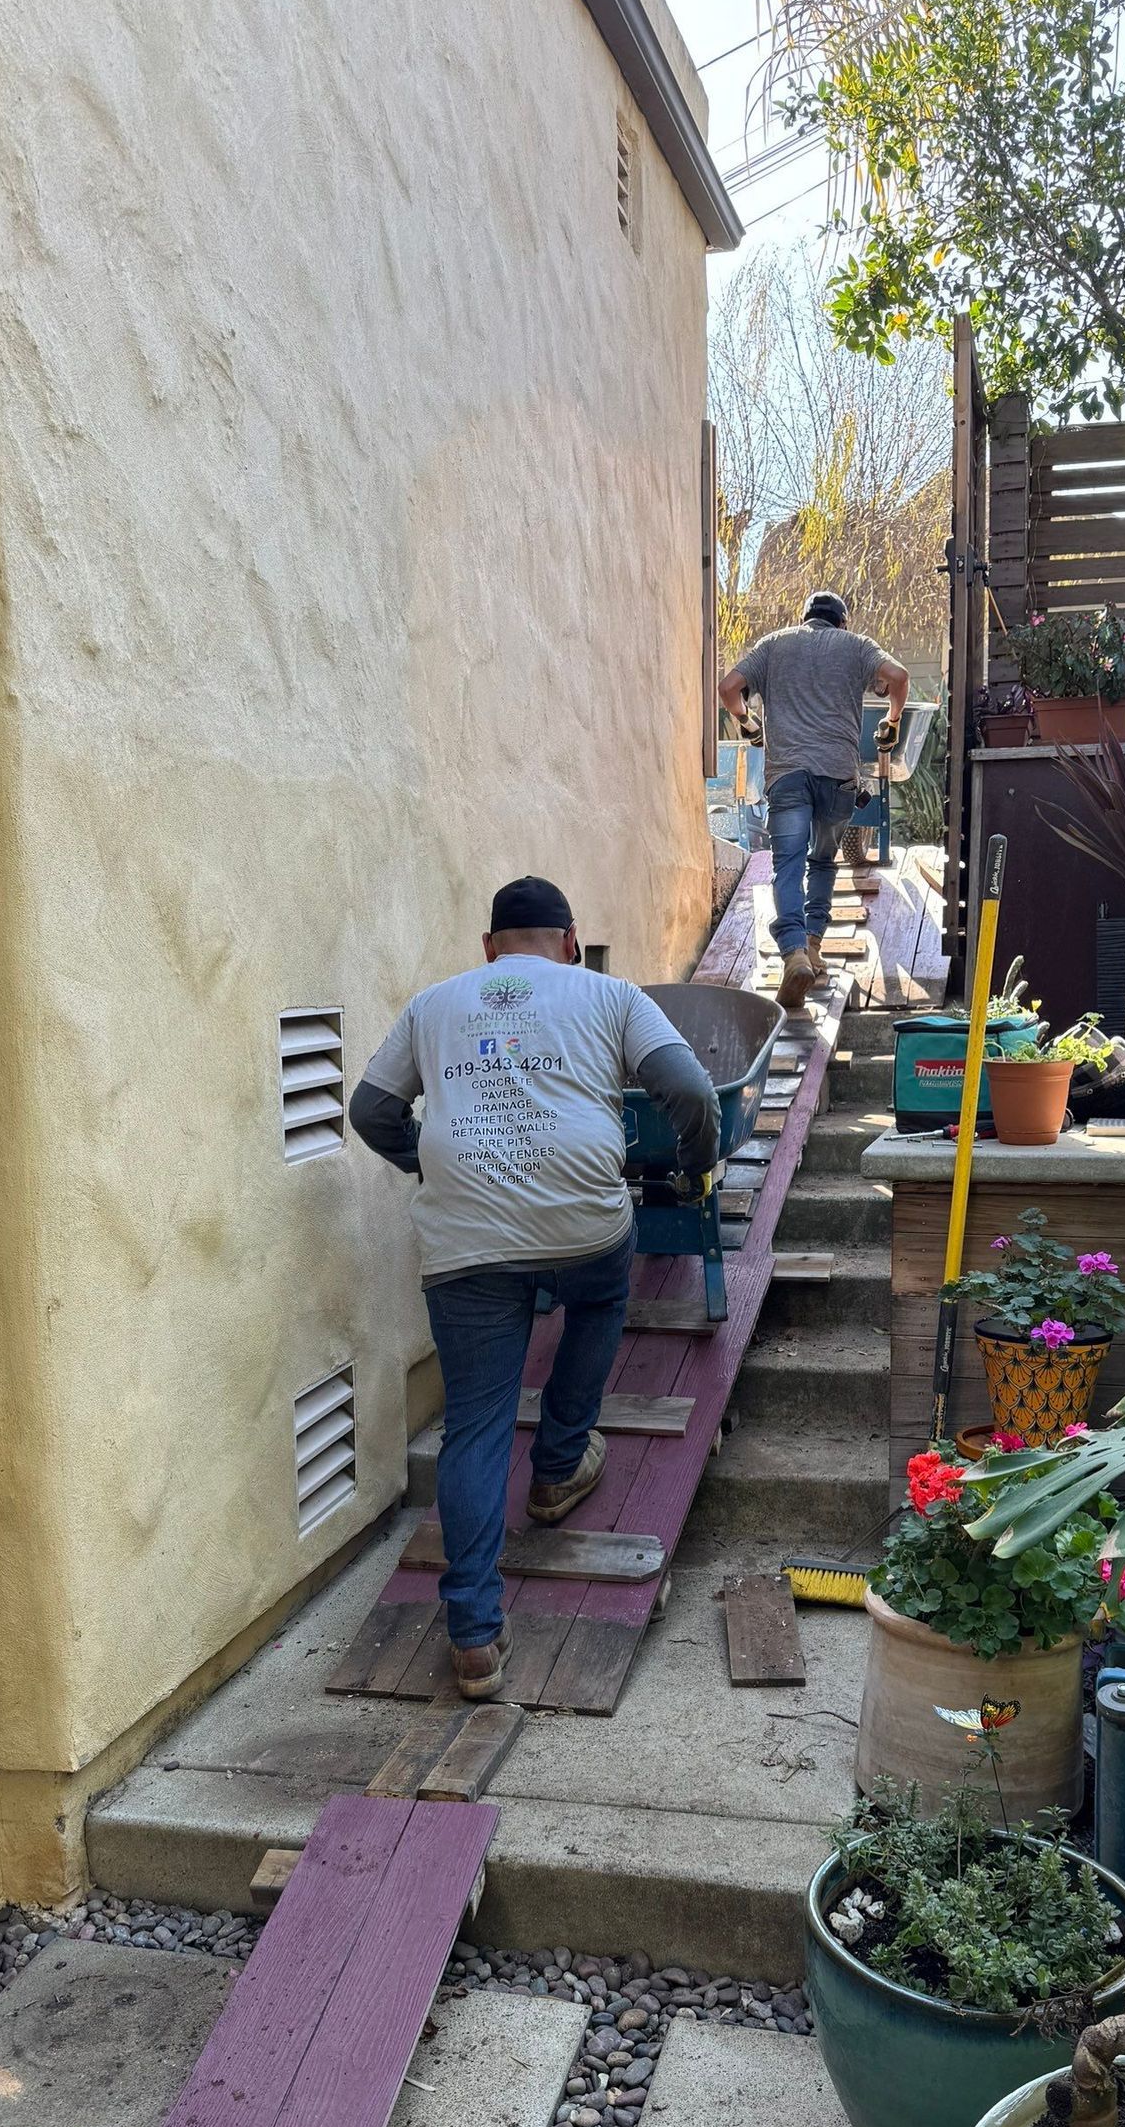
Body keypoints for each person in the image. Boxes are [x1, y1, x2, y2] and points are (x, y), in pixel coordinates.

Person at [351, 877, 719, 1700]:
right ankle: (558, 1467)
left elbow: (370, 1111)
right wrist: (696, 1165)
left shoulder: (435, 1004)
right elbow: (691, 1092)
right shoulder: (612, 995)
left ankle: (474, 1636)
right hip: (581, 1224)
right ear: (568, 939)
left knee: (476, 1425)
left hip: (465, 1239)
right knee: (598, 1294)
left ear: (488, 947)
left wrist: (428, 1158)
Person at [719, 592, 909, 1010]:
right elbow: (898, 676)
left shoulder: (773, 645)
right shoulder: (856, 645)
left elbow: (729, 687)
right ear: (840, 622)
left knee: (787, 863)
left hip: (786, 775)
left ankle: (793, 954)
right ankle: (815, 946)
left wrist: (749, 724)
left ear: (804, 619)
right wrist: (891, 723)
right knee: (822, 860)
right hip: (838, 776)